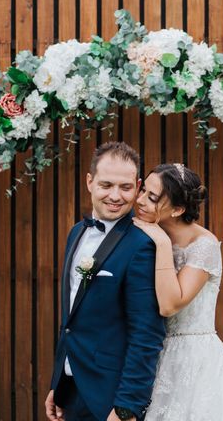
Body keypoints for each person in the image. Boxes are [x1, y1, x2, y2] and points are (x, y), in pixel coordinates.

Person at [45, 142, 166, 421]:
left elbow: (146, 334)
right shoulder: (76, 233)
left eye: (125, 187)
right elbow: (72, 320)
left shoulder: (142, 245)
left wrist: (126, 408)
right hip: (71, 391)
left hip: (110, 399)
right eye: (106, 185)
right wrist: (58, 383)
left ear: (137, 186)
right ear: (90, 182)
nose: (115, 196)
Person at [132, 163, 223, 421]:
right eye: (143, 190)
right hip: (150, 353)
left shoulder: (204, 245)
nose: (140, 200)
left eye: (152, 197)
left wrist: (160, 242)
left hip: (194, 358)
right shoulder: (142, 233)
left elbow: (170, 304)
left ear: (178, 209)